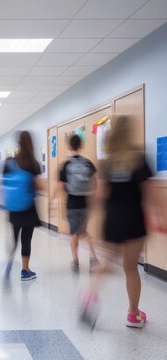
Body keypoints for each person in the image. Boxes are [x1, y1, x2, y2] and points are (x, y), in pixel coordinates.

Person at [80, 116, 166, 329]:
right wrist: (161, 217)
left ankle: (89, 298)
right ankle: (133, 314)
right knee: (130, 267)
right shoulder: (139, 159)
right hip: (134, 220)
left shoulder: (107, 162)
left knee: (107, 261)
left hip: (113, 220)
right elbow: (151, 194)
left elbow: (98, 195)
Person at [3, 131, 42, 281]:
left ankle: (9, 260)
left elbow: (4, 185)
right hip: (28, 207)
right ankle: (25, 270)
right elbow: (37, 186)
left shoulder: (8, 163)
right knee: (26, 239)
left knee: (14, 237)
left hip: (13, 208)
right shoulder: (32, 163)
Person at [58, 134, 99, 272]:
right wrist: (92, 198)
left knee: (74, 233)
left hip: (72, 204)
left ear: (69, 146)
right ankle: (93, 256)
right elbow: (95, 183)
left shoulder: (66, 165)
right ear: (80, 146)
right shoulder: (88, 163)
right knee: (84, 231)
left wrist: (56, 201)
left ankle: (75, 261)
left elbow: (61, 186)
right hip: (85, 203)